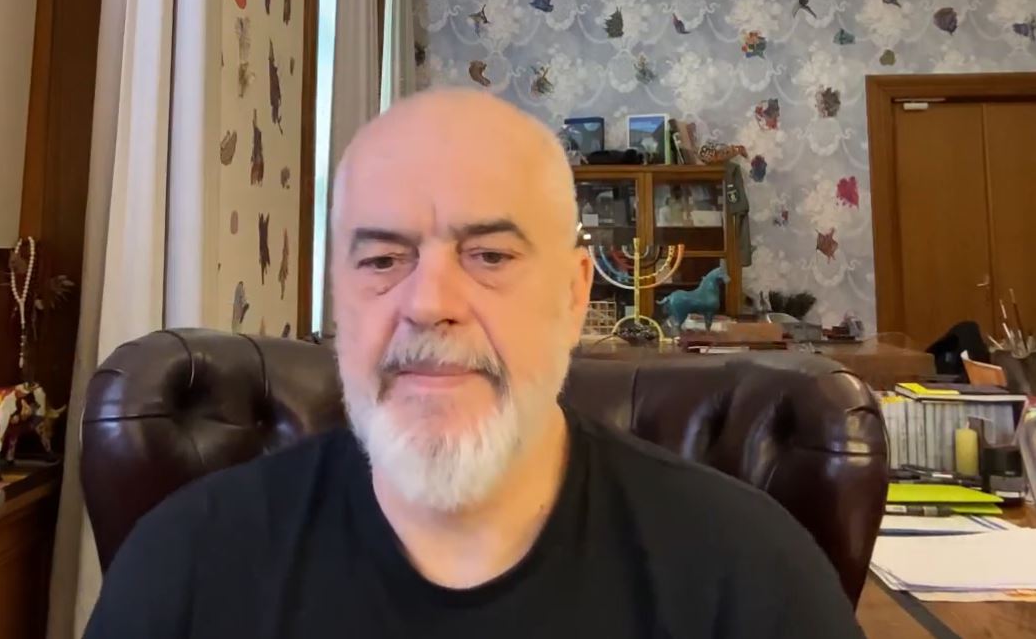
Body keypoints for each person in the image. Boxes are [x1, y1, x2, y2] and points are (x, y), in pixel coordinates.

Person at [84, 89, 863, 638]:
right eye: (382, 259)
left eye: (489, 255)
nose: (429, 304)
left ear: (573, 294)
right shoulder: (185, 569)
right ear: (337, 298)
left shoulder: (749, 578)